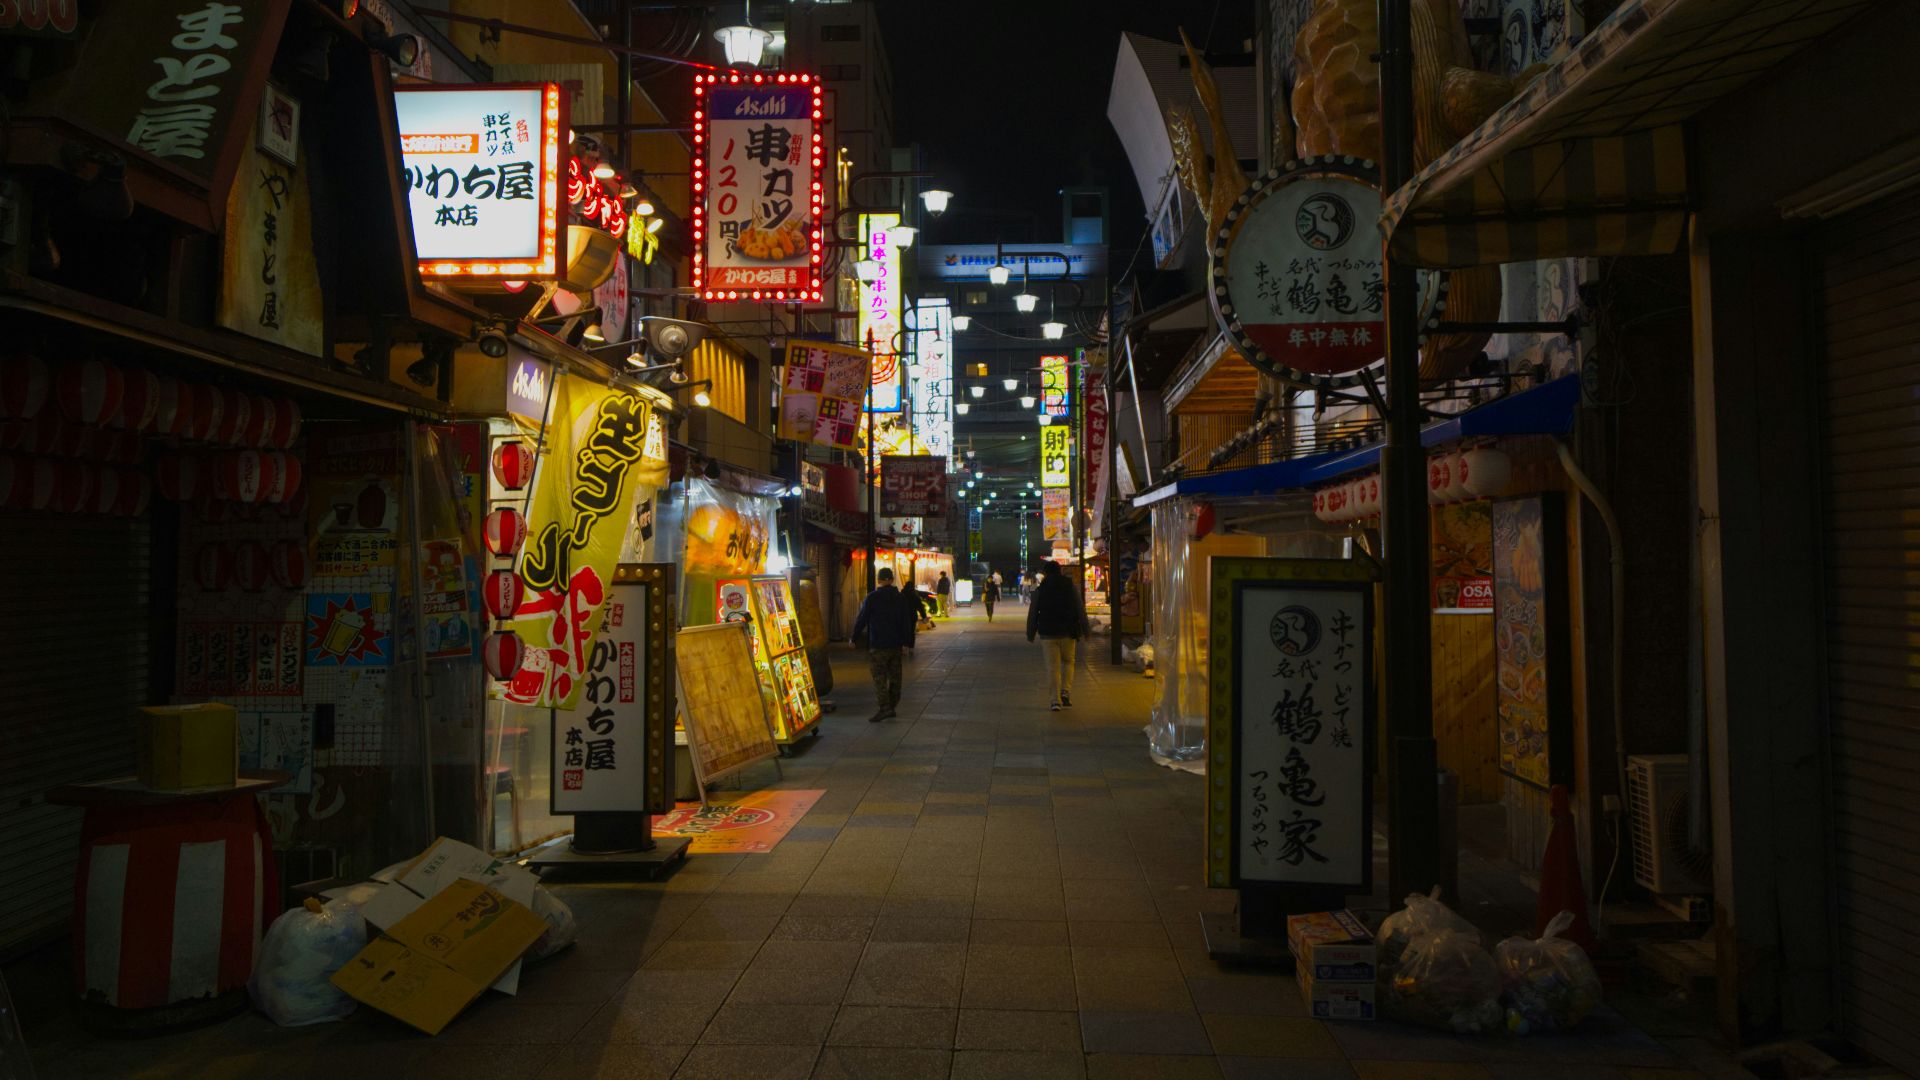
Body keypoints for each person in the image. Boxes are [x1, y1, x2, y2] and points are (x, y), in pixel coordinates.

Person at [851, 567, 915, 721]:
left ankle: (885, 708)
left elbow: (862, 619)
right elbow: (906, 621)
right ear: (892, 579)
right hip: (895, 645)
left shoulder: (872, 598)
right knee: (895, 677)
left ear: (879, 580)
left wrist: (854, 637)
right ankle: (892, 706)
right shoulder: (900, 598)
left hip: (878, 645)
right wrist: (907, 642)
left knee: (879, 678)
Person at [1026, 561, 1090, 711]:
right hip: (1068, 631)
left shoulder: (1040, 590)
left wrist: (1030, 633)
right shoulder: (1070, 587)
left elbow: (1033, 612)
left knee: (1052, 667)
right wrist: (1086, 630)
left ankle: (1055, 701)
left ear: (1046, 573)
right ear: (1060, 571)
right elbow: (1080, 609)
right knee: (1068, 662)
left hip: (1048, 633)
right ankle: (1065, 692)